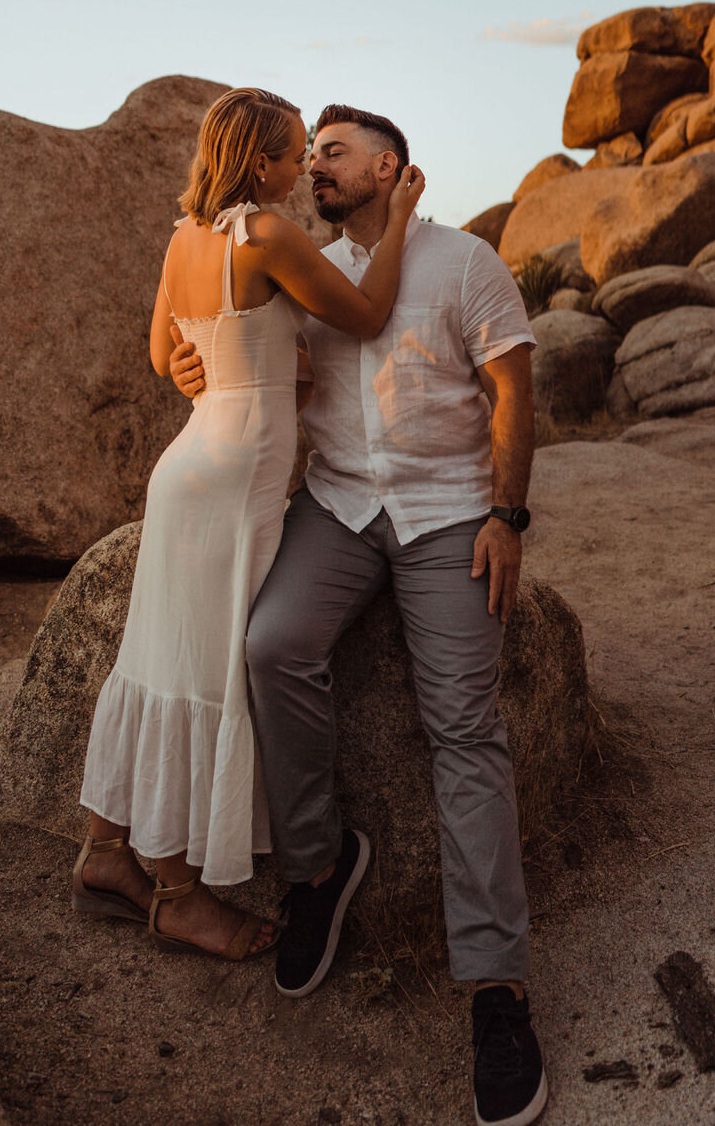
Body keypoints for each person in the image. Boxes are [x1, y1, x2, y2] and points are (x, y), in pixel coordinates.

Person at [170, 104, 547, 1126]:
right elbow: (223, 336)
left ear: (389, 166)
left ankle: (495, 989)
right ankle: (319, 863)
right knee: (270, 642)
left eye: (332, 152)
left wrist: (507, 515)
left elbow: (513, 393)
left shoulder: (464, 262)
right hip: (335, 505)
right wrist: (187, 362)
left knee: (462, 725)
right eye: (312, 153)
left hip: (445, 514)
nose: (316, 168)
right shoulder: (309, 260)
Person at [74, 87, 424, 963]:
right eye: (297, 151)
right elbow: (369, 313)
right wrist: (407, 215)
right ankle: (182, 899)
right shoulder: (264, 234)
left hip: (189, 464)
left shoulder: (185, 237)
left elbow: (167, 357)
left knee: (153, 663)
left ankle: (105, 853)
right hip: (233, 483)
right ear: (261, 162)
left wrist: (243, 369)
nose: (305, 166)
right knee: (202, 678)